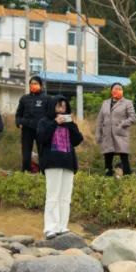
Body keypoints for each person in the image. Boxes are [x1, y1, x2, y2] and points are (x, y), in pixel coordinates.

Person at [36, 96, 83, 239]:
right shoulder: (45, 121)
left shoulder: (69, 124)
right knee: (53, 196)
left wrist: (69, 124)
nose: (61, 109)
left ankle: (62, 226)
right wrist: (55, 123)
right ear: (52, 107)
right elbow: (41, 138)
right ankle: (50, 228)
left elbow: (78, 140)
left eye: (64, 106)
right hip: (52, 163)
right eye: (58, 106)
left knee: (65, 197)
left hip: (68, 163)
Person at [95, 82, 136, 176]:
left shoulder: (127, 103)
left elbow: (133, 117)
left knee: (124, 157)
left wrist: (122, 124)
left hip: (120, 134)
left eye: (120, 89)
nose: (118, 90)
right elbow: (100, 120)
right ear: (111, 91)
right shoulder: (105, 103)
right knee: (108, 159)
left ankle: (127, 178)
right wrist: (98, 134)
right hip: (107, 135)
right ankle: (108, 179)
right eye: (115, 89)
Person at [15, 75, 49, 172]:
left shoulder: (47, 99)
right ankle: (26, 174)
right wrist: (19, 123)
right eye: (31, 84)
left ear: (41, 85)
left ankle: (43, 174)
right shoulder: (24, 98)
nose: (33, 86)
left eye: (35, 84)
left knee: (42, 153)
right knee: (26, 155)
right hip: (27, 129)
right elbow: (18, 114)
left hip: (41, 130)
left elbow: (50, 115)